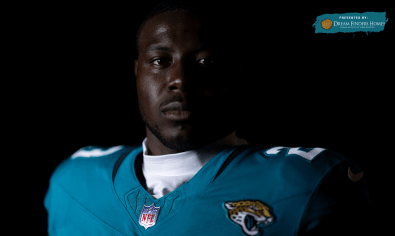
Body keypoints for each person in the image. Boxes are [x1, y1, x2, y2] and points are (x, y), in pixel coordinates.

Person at [44, 0, 372, 235]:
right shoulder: (74, 180)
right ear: (136, 72)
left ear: (235, 74)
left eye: (205, 63)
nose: (180, 80)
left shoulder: (307, 182)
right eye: (160, 61)